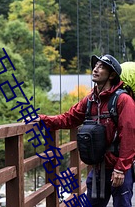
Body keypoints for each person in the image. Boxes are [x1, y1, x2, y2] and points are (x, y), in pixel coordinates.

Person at [28, 54, 135, 207]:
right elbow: (69, 118)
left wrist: (121, 169)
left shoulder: (124, 101)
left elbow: (129, 137)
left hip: (118, 169)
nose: (95, 69)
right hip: (98, 168)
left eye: (101, 67)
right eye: (95, 66)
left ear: (112, 75)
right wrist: (43, 119)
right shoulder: (90, 100)